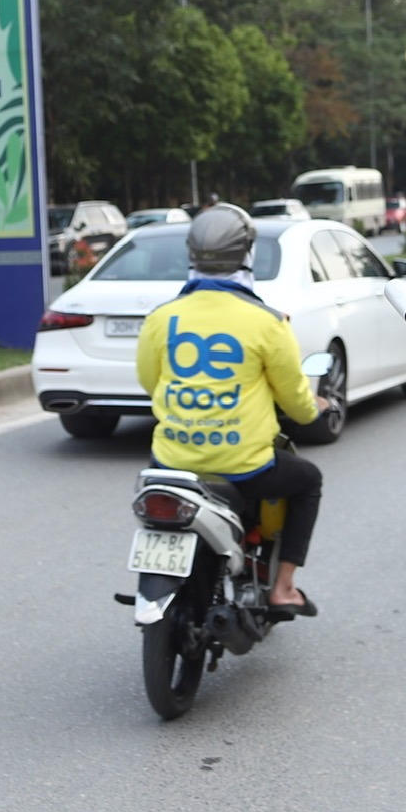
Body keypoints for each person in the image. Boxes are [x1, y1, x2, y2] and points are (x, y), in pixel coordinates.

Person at [135, 203, 327, 615]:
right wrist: (315, 407)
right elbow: (297, 403)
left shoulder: (161, 318)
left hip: (170, 464)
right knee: (308, 479)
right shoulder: (267, 322)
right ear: (247, 254)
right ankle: (283, 587)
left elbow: (150, 383)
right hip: (244, 468)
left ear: (191, 254)